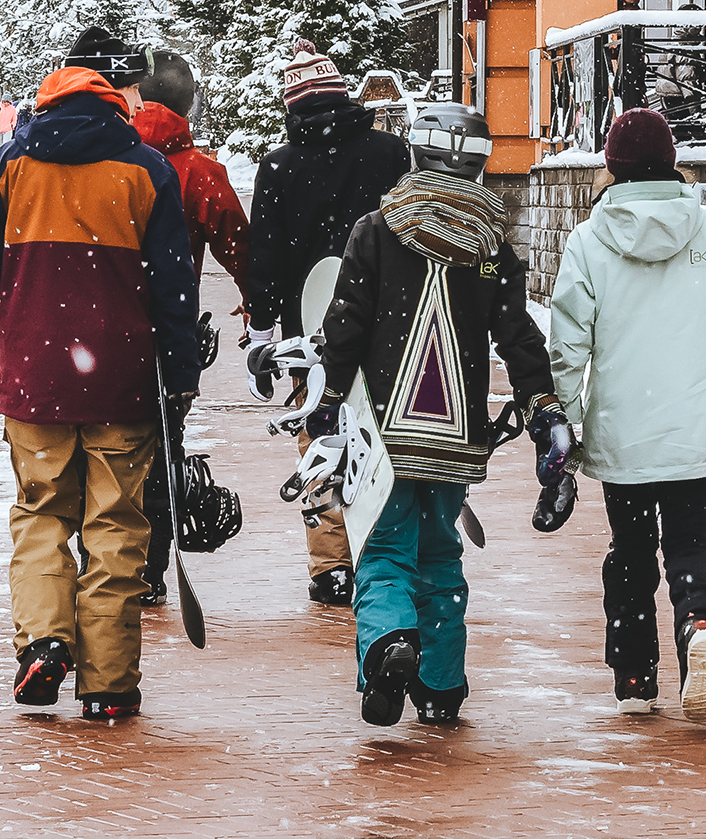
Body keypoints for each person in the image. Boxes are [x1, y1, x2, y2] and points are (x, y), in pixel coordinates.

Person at [0, 26, 202, 722]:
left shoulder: (8, 167)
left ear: (51, 92)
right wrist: (180, 380)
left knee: (40, 516)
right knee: (116, 528)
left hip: (34, 376)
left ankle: (45, 642)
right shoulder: (146, 170)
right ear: (117, 97)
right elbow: (175, 292)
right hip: (121, 380)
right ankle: (110, 684)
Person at [308, 102, 564, 727]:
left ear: (417, 153)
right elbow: (516, 332)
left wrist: (329, 400)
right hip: (455, 432)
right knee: (441, 554)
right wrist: (539, 401)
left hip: (384, 428)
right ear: (478, 164)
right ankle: (442, 686)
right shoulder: (490, 243)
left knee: (383, 548)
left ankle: (390, 643)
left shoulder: (377, 229)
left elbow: (345, 324)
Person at [546, 109, 706, 722]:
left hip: (623, 431)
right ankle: (698, 621)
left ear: (612, 166)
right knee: (692, 543)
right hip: (696, 428)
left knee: (631, 551)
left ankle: (636, 670)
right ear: (670, 161)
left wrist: (567, 415)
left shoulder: (589, 240)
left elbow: (569, 342)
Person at [245, 42, 413, 607]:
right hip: (389, 319)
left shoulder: (280, 166)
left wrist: (264, 333)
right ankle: (383, 549)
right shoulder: (390, 154)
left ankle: (332, 563)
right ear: (344, 95)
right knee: (384, 434)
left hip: (309, 329)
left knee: (319, 434)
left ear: (291, 106)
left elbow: (263, 257)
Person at [130, 53, 250, 607]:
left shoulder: (111, 159)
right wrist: (259, 302)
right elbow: (240, 247)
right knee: (159, 449)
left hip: (97, 331)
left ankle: (100, 559)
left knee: (96, 447)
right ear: (188, 106)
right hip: (167, 335)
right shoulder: (198, 171)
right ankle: (150, 569)